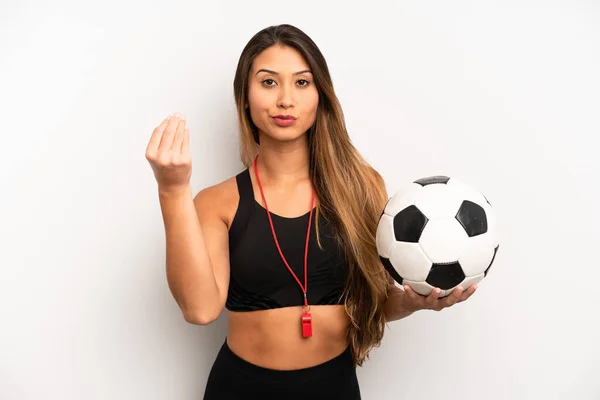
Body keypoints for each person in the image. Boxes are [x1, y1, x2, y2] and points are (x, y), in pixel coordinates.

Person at [145, 24, 477, 399]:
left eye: (301, 83)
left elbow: (375, 301)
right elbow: (200, 309)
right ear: (245, 97)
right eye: (268, 83)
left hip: (333, 387)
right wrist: (172, 189)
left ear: (320, 94)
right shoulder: (217, 202)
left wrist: (413, 302)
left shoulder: (360, 186)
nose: (286, 99)